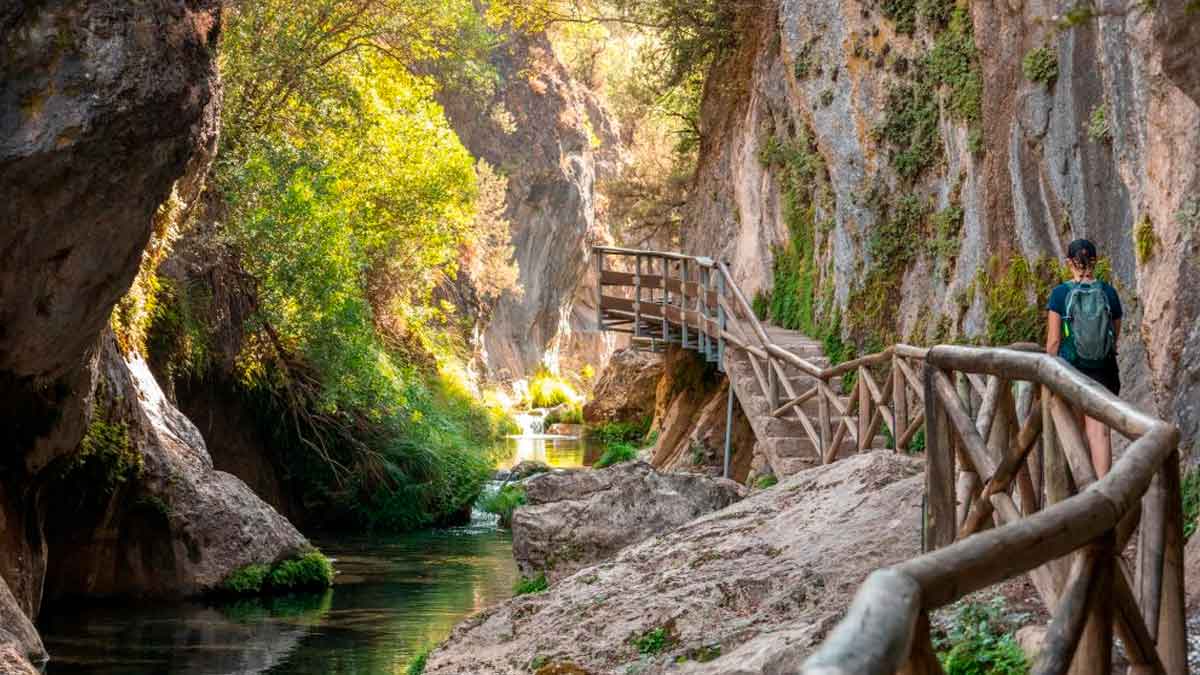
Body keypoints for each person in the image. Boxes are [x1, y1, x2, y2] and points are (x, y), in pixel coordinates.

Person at [1045, 239, 1122, 477]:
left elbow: (1054, 341)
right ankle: (1102, 492)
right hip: (1103, 370)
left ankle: (1081, 492)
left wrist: (1048, 371)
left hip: (1072, 369)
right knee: (1099, 432)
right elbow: (1114, 333)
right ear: (1095, 261)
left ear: (1068, 262)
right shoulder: (1109, 293)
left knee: (1075, 431)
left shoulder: (1060, 294)